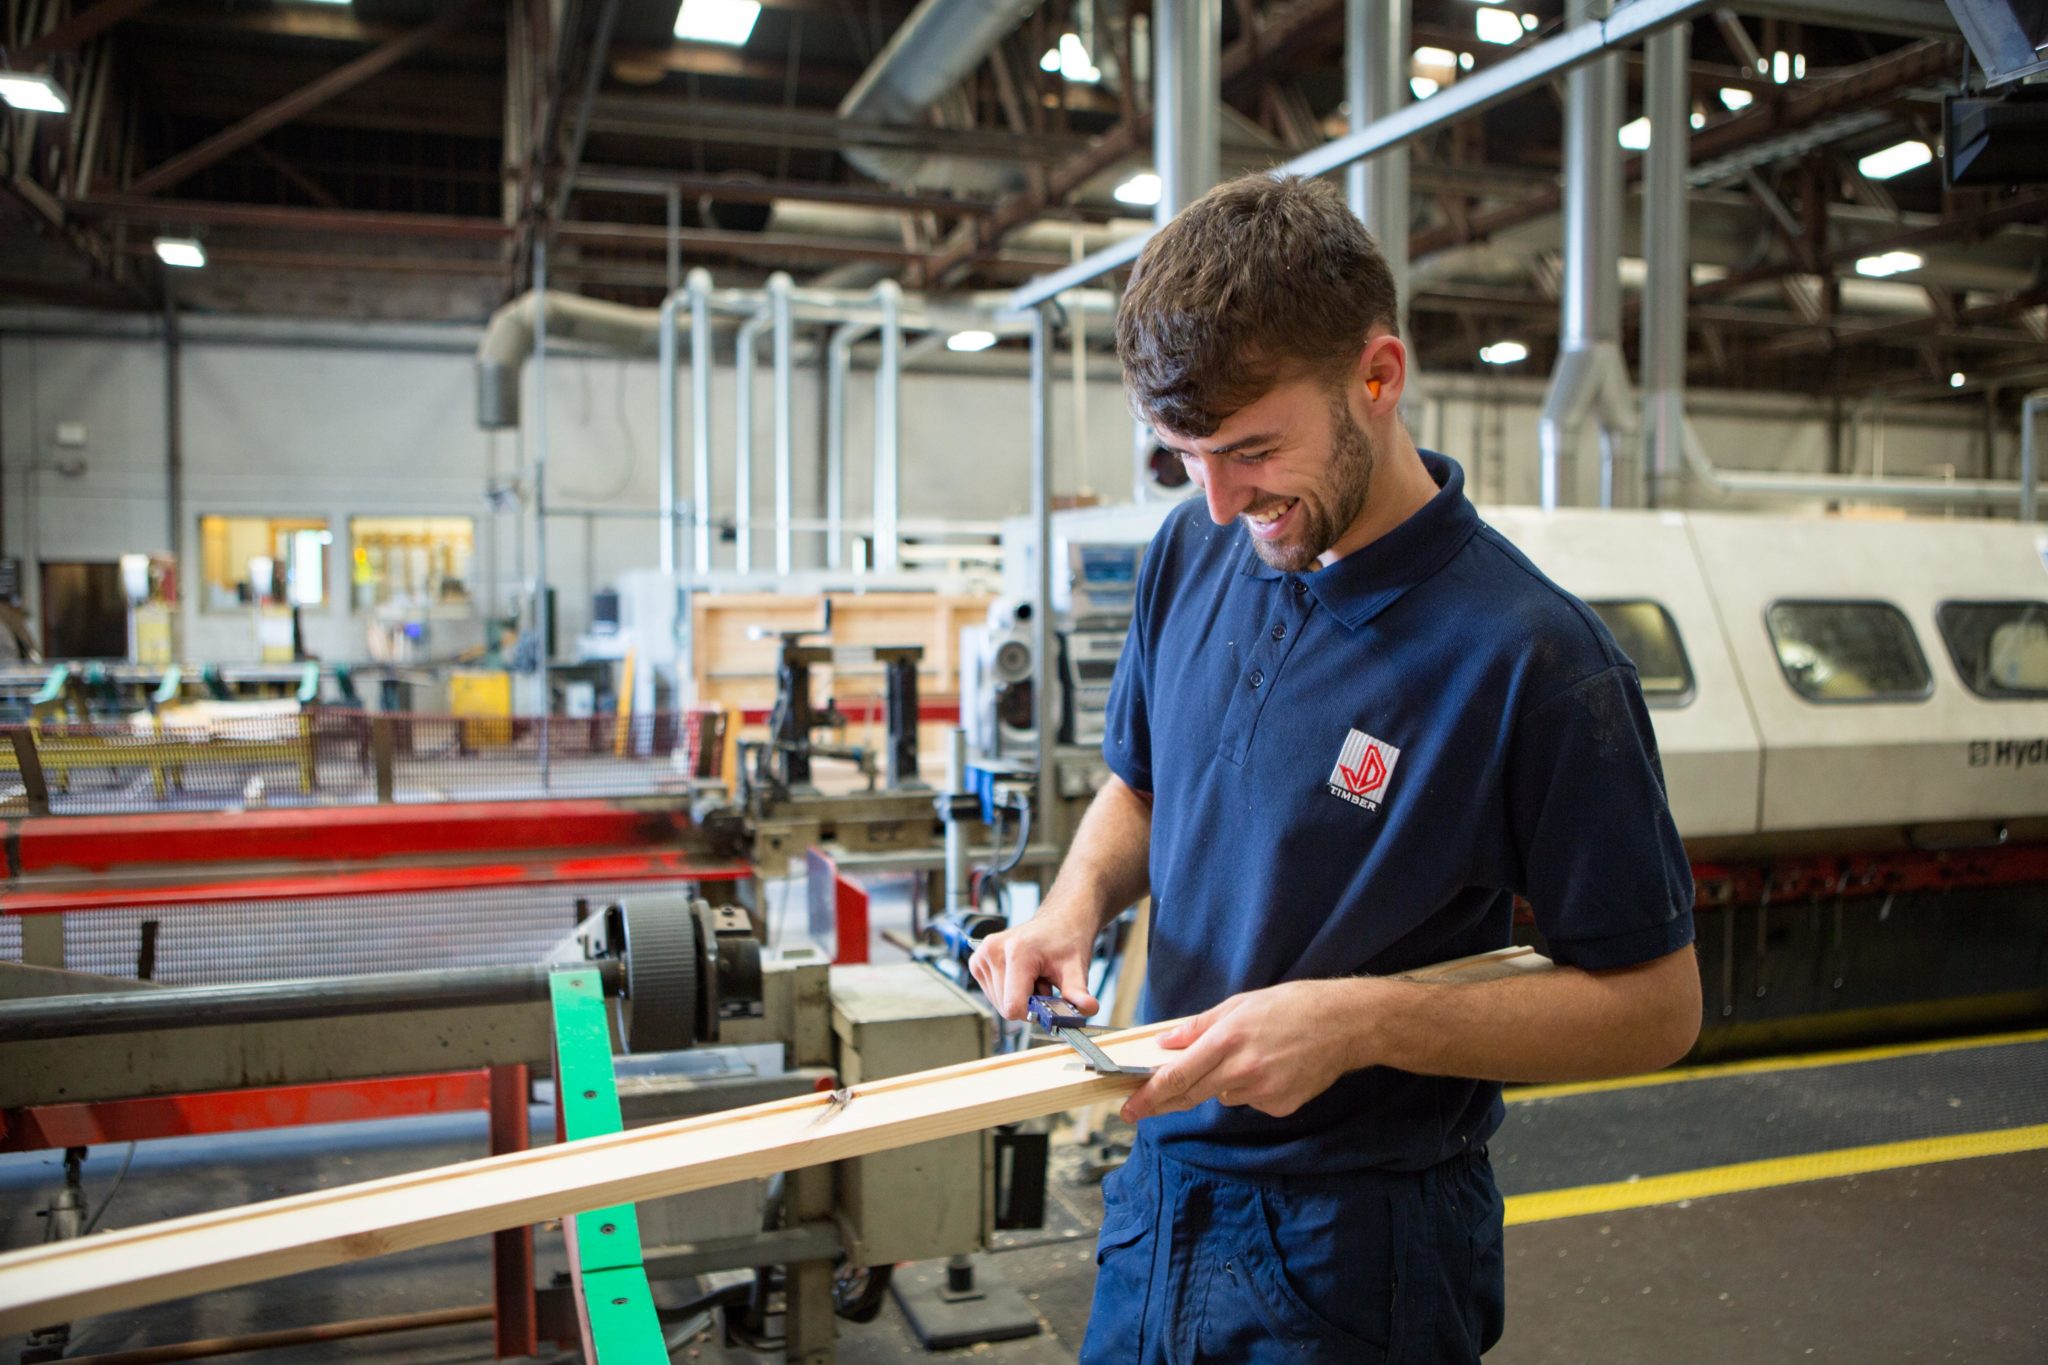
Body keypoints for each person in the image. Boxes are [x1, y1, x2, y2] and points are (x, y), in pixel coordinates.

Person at [969, 172, 1702, 1364]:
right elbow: (1145, 782)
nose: (1217, 502)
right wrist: (1071, 906)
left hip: (1358, 1244)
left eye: (1252, 450)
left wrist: (1361, 1025)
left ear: (1376, 377)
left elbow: (1656, 1008)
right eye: (1184, 458)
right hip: (1159, 1198)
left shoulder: (1534, 663)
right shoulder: (1192, 554)